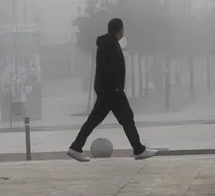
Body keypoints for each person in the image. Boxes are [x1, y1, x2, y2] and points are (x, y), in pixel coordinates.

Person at [67, 18, 157, 162]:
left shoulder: (108, 44)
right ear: (120, 30)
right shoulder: (110, 45)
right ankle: (139, 149)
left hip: (108, 90)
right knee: (126, 118)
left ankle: (76, 147)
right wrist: (115, 87)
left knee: (102, 119)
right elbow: (109, 68)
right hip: (111, 90)